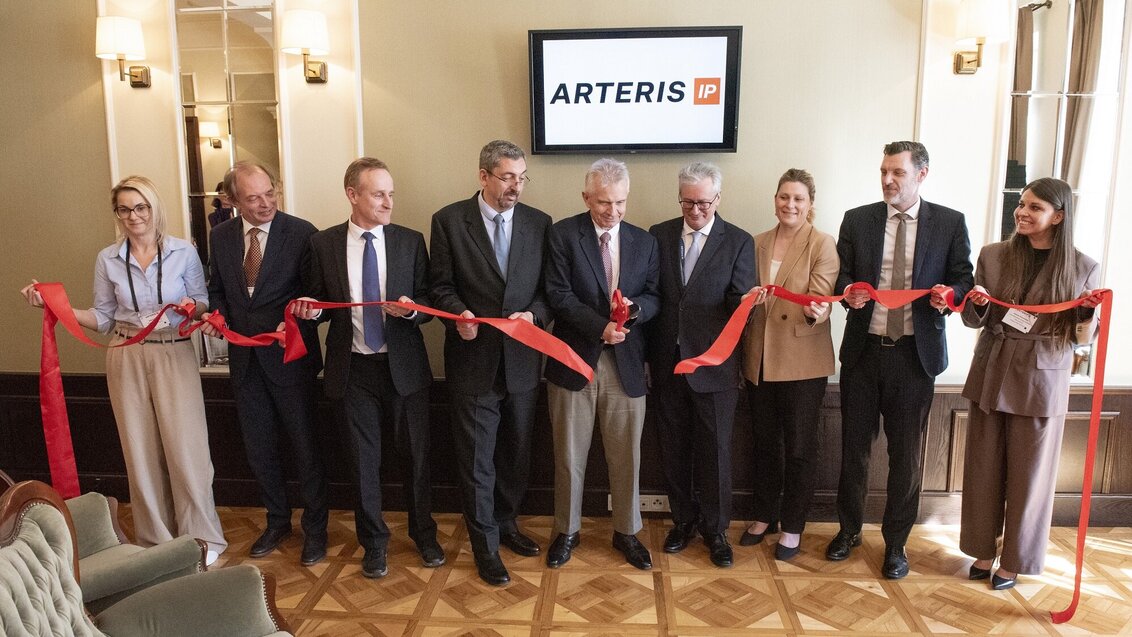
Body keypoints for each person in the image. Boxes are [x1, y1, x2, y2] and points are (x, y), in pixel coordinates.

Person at [21, 176, 227, 564]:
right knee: (139, 451)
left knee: (189, 450)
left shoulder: (184, 251)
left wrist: (191, 308)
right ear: (117, 214)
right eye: (125, 209)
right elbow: (101, 317)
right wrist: (51, 305)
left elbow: (202, 302)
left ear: (154, 208)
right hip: (125, 352)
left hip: (174, 351)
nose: (134, 216)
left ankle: (202, 539)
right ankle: (156, 543)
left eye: (141, 207)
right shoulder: (107, 258)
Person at [828, 141, 974, 579]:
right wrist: (849, 290)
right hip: (863, 354)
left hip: (915, 358)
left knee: (905, 457)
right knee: (853, 450)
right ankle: (848, 530)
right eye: (883, 172)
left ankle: (896, 543)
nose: (888, 180)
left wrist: (950, 297)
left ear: (922, 175)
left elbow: (963, 278)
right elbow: (842, 274)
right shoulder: (858, 219)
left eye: (898, 173)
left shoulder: (949, 222)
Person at [293, 158, 443, 579]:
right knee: (363, 463)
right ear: (352, 195)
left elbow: (430, 302)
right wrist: (310, 312)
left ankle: (424, 535)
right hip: (352, 369)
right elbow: (319, 304)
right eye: (378, 194)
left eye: (390, 194)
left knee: (416, 456)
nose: (388, 202)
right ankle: (374, 544)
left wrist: (413, 312)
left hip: (405, 369)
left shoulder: (410, 241)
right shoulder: (322, 244)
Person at [959, 177, 1101, 590]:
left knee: (1030, 476)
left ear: (1058, 216)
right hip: (991, 369)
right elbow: (972, 319)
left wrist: (1087, 315)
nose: (1022, 212)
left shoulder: (1082, 267)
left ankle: (1015, 560)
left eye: (1034, 207)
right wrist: (977, 304)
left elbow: (1081, 339)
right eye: (1021, 204)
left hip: (1042, 378)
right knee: (983, 468)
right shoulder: (993, 255)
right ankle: (983, 550)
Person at [428, 140, 553, 585]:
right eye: (507, 177)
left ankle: (506, 524)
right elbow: (438, 286)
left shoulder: (540, 223)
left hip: (522, 362)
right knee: (477, 459)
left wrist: (533, 315)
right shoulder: (448, 221)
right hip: (472, 358)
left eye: (521, 178)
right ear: (483, 177)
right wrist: (457, 313)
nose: (516, 186)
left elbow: (547, 292)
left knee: (516, 453)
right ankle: (484, 546)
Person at [203, 161, 329, 567]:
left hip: (290, 359)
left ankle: (316, 529)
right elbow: (217, 289)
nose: (265, 203)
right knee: (260, 448)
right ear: (233, 200)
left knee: (306, 447)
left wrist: (300, 314)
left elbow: (318, 295)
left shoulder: (301, 232)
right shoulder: (220, 235)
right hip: (245, 362)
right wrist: (216, 316)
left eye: (270, 193)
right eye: (254, 198)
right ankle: (277, 521)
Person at [543, 158, 660, 570]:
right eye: (604, 202)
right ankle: (567, 531)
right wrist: (600, 327)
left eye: (621, 202)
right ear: (586, 197)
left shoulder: (644, 241)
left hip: (626, 364)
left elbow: (655, 294)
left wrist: (637, 310)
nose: (613, 211)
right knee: (569, 455)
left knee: (627, 455)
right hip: (575, 359)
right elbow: (558, 295)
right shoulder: (561, 234)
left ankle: (627, 532)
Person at [647, 161, 756, 569]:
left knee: (715, 454)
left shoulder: (738, 241)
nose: (695, 211)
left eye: (703, 203)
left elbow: (739, 304)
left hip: (716, 367)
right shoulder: (658, 234)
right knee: (673, 449)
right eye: (687, 202)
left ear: (718, 199)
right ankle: (683, 522)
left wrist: (746, 302)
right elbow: (654, 294)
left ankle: (716, 530)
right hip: (667, 363)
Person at [739, 169, 839, 560]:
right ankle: (765, 514)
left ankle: (793, 526)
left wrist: (816, 312)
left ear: (810, 203)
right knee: (765, 444)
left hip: (802, 362)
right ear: (775, 199)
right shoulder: (756, 242)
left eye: (798, 198)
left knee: (799, 448)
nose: (790, 205)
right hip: (759, 360)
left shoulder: (822, 243)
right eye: (784, 197)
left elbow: (822, 298)